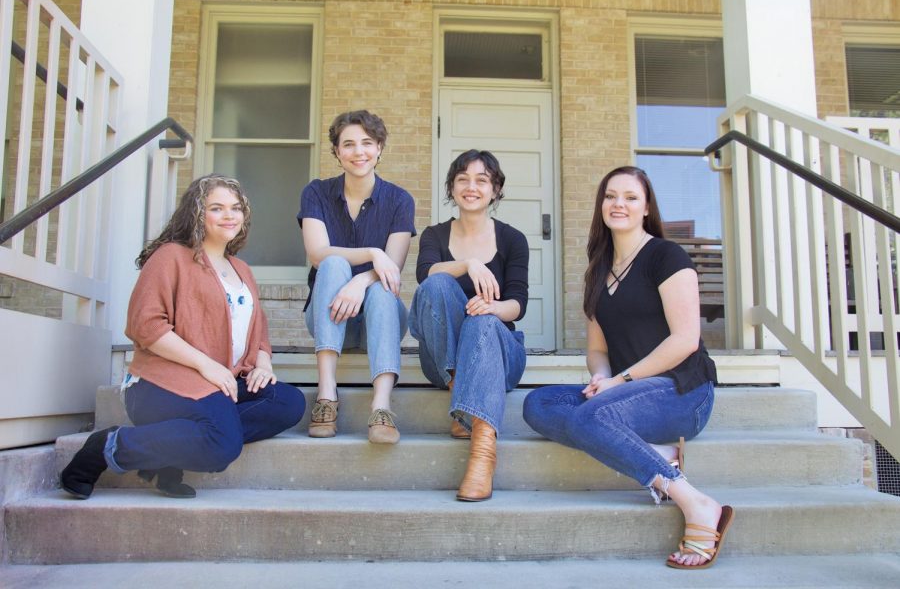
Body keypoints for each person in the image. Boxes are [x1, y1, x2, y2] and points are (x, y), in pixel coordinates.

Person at [522, 166, 733, 569]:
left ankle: (698, 504)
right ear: (601, 204)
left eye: (630, 197)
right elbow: (597, 349)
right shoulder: (598, 270)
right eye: (611, 196)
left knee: (587, 419)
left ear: (646, 207)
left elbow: (685, 340)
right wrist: (602, 376)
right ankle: (658, 454)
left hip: (682, 392)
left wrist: (619, 381)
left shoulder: (665, 256)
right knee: (538, 404)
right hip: (624, 395)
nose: (619, 204)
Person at [60, 174, 305, 499]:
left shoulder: (240, 269)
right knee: (221, 445)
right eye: (217, 208)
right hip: (162, 387)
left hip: (220, 384)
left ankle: (166, 455)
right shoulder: (171, 257)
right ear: (197, 213)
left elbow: (257, 325)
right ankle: (107, 446)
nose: (229, 215)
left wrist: (263, 364)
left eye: (236, 208)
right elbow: (145, 325)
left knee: (287, 402)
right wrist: (208, 366)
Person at [409, 149, 528, 502]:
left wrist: (492, 308)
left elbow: (517, 304)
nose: (471, 187)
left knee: (481, 321)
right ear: (452, 187)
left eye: (482, 180)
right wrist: (468, 263)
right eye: (463, 179)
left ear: (495, 189)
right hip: (443, 365)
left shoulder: (512, 239)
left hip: (500, 356)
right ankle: (463, 398)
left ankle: (482, 451)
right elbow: (425, 276)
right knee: (437, 285)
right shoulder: (433, 235)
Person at [298, 110, 415, 444]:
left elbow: (391, 270)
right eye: (348, 144)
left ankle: (381, 407)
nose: (358, 151)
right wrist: (371, 254)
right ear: (336, 152)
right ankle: (326, 396)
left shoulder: (399, 200)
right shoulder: (316, 193)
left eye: (367, 142)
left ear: (379, 148)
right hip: (328, 316)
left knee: (379, 289)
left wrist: (361, 280)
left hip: (380, 319)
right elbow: (318, 253)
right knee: (332, 264)